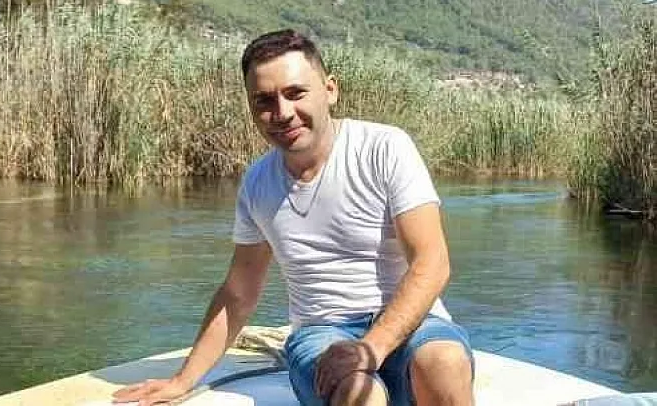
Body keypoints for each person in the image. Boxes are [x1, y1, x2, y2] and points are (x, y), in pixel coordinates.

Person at [113, 29, 474, 406]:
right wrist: (182, 380)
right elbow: (238, 293)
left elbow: (432, 262)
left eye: (295, 93)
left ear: (330, 90)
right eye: (264, 100)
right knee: (359, 392)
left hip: (413, 323)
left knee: (444, 363)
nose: (282, 113)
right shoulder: (257, 184)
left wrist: (371, 347)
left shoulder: (384, 147)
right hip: (322, 331)